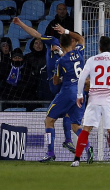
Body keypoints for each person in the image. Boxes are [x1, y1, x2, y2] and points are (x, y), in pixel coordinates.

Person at [13, 17, 88, 155]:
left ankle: (62, 144)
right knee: (65, 113)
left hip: (65, 83)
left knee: (59, 116)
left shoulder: (68, 51)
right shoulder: (56, 43)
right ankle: (71, 142)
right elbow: (36, 34)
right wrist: (21, 24)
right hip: (56, 82)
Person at [34, 24, 91, 162]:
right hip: (80, 93)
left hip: (68, 91)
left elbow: (55, 82)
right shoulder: (79, 52)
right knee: (75, 125)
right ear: (73, 41)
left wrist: (59, 74)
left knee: (49, 120)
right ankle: (88, 147)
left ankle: (50, 153)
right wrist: (66, 31)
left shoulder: (61, 61)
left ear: (60, 43)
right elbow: (81, 38)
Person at [71, 36, 110, 167]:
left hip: (94, 99)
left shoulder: (92, 60)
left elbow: (81, 78)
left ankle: (76, 160)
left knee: (86, 129)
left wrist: (80, 94)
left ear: (99, 48)